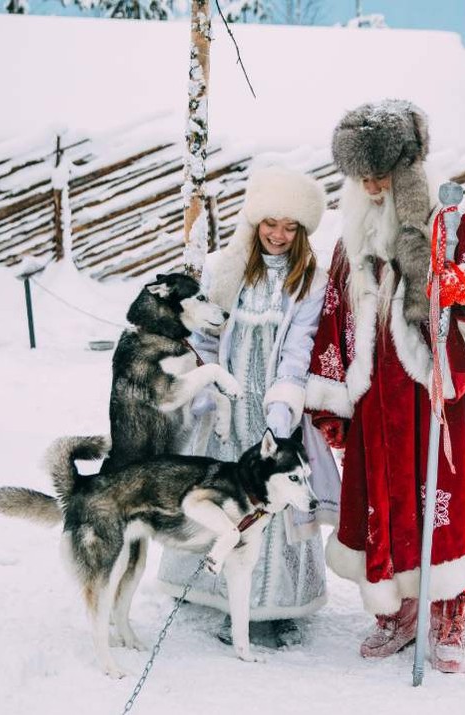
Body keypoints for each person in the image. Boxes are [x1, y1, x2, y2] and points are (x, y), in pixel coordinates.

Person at [305, 100, 465, 673]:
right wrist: (331, 391)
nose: (373, 184)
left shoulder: (449, 223)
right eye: (362, 175)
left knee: (438, 496)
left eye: (382, 172)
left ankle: (448, 601)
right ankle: (402, 605)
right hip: (376, 397)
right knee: (382, 494)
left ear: (408, 168)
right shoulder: (349, 236)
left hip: (435, 393)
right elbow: (334, 310)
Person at [156, 165, 339, 648]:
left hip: (275, 407)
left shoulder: (311, 280)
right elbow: (205, 336)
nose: (278, 235)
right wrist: (209, 393)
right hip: (227, 405)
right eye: (270, 222)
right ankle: (215, 589)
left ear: (302, 231)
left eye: (290, 226)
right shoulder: (225, 268)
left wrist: (282, 412)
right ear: (254, 221)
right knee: (220, 492)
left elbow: (300, 348)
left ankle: (272, 604)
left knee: (273, 498)